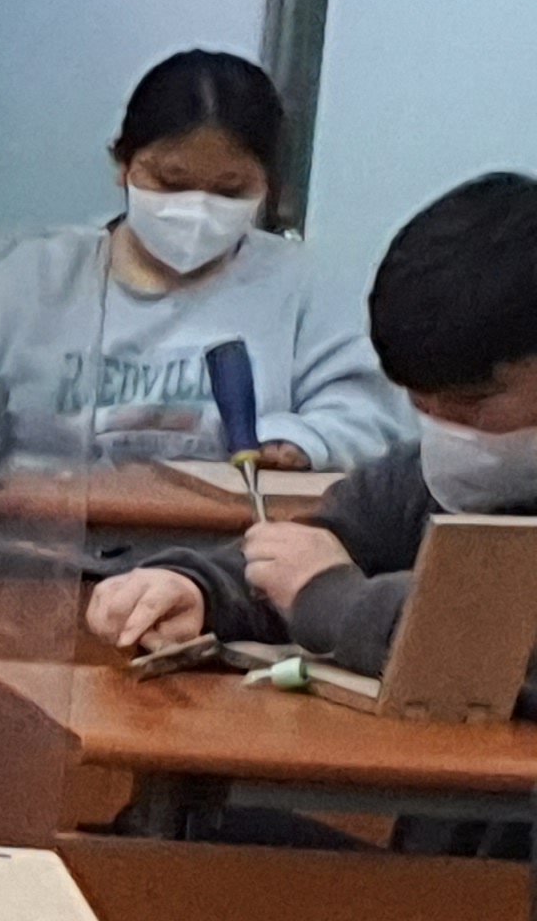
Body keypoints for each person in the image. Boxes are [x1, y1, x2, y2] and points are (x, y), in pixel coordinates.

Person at [88, 172, 537, 708]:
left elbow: (500, 639)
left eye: (470, 402)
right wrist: (198, 590)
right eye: (420, 403)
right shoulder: (419, 480)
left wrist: (328, 598)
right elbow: (316, 548)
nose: (446, 429)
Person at [0, 50, 400, 473]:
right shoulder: (31, 283)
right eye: (170, 182)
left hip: (230, 552)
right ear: (122, 164)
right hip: (35, 550)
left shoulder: (301, 286)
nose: (197, 207)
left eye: (230, 190)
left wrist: (304, 444)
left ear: (270, 187)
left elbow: (371, 420)